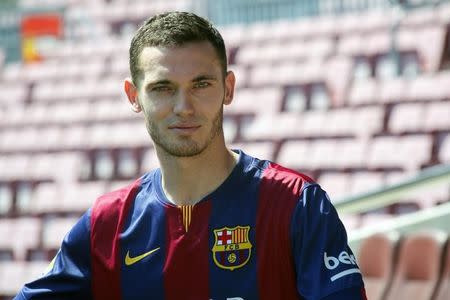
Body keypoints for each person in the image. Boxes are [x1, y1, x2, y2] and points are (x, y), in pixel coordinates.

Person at [15, 11, 366, 300]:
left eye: (201, 84)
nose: (184, 108)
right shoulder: (106, 225)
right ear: (133, 95)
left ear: (228, 88)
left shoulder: (297, 205)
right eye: (163, 88)